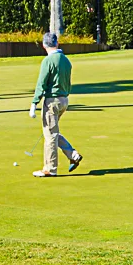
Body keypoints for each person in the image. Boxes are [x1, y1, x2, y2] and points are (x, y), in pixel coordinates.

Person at [29, 33, 82, 177]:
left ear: (44, 45)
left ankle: (50, 169)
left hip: (52, 101)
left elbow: (41, 83)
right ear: (57, 43)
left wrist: (34, 103)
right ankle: (73, 155)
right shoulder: (66, 60)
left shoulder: (48, 61)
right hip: (64, 100)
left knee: (50, 136)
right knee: (52, 132)